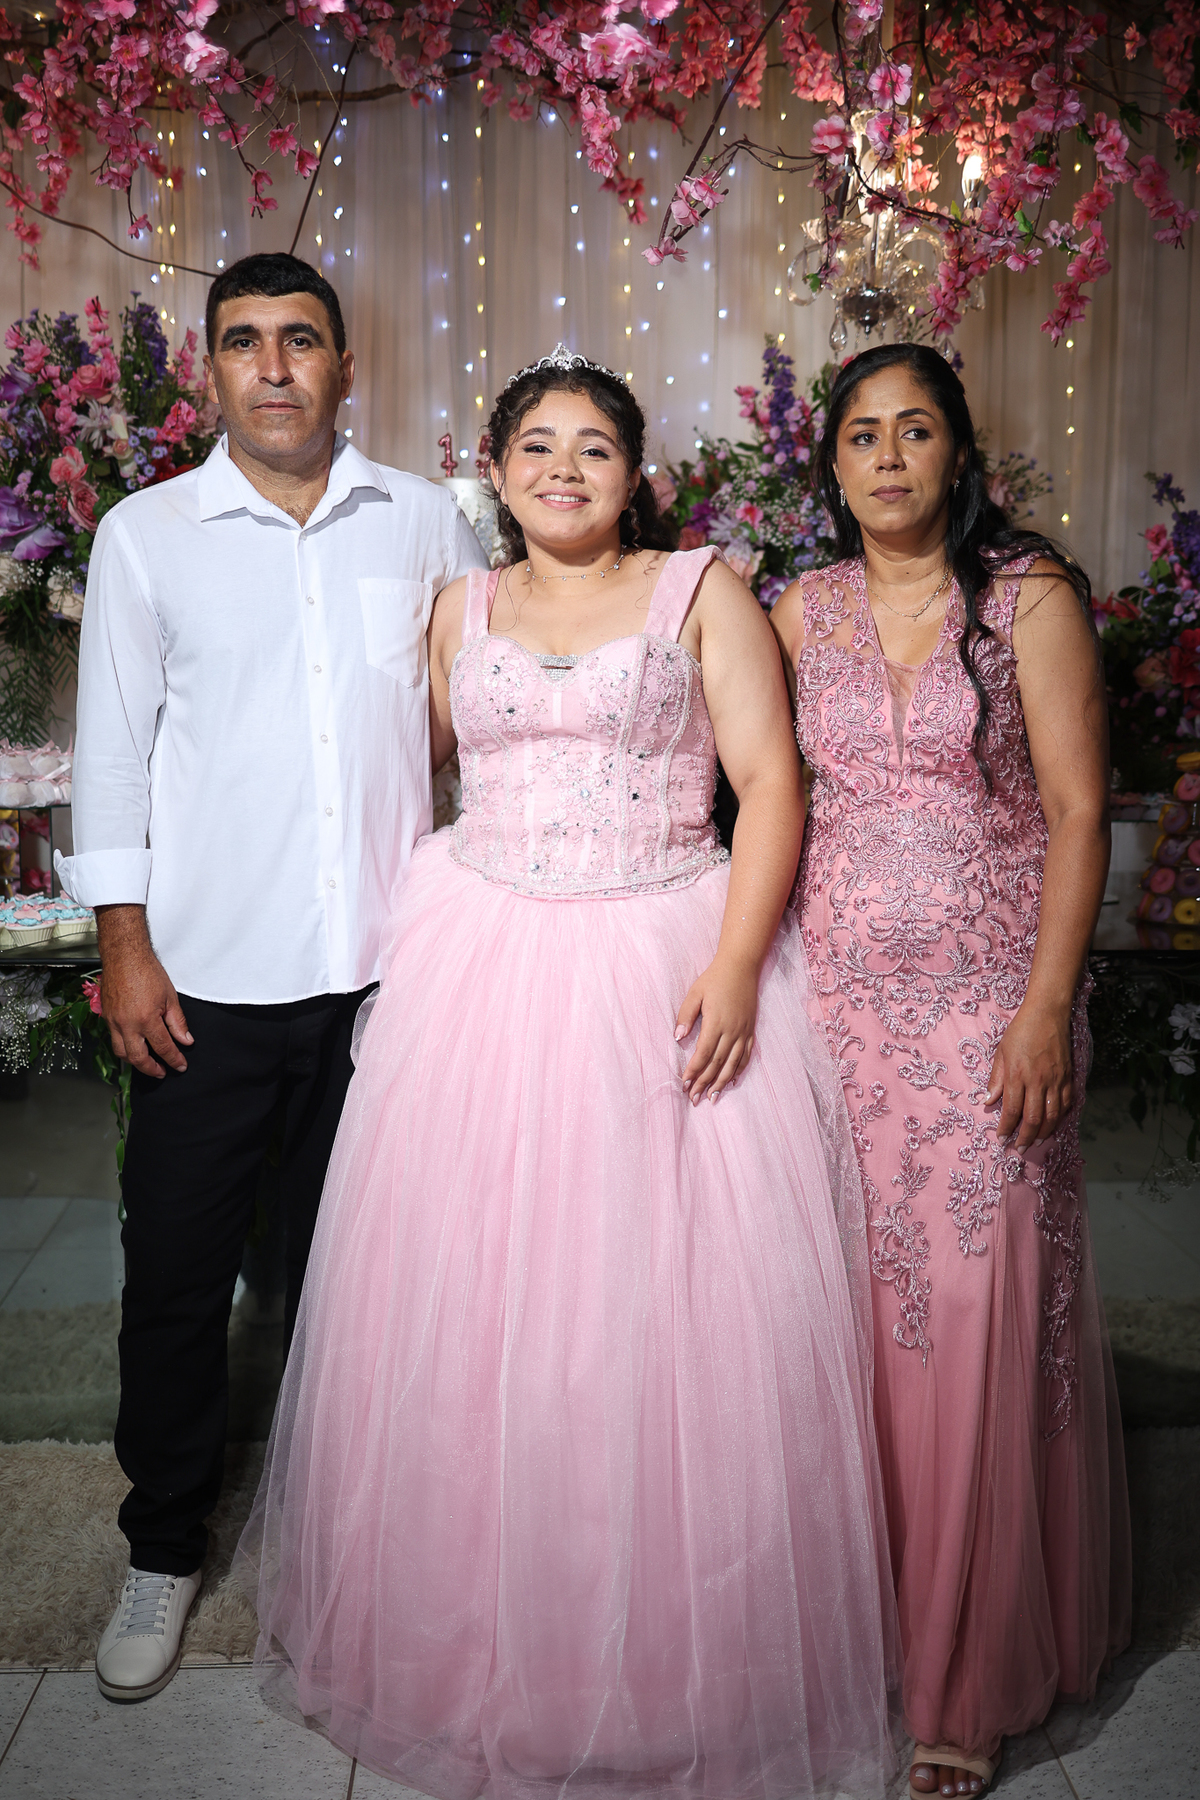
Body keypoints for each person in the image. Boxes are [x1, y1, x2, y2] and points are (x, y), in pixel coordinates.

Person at [236, 346, 900, 1799]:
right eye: (536, 445)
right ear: (494, 468)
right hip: (481, 963)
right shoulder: (456, 608)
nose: (563, 469)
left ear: (633, 472)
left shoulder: (701, 591)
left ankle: (676, 1661)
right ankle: (473, 1638)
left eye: (593, 446)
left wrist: (737, 964)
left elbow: (771, 783)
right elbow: (393, 775)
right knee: (477, 1303)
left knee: (659, 1313)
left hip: (660, 955)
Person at [56, 251, 488, 1704]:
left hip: (385, 981)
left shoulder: (426, 521)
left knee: (359, 1282)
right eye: (244, 342)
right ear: (212, 371)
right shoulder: (147, 535)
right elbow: (114, 752)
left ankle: (362, 1534)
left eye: (301, 340)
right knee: (178, 1279)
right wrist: (124, 943)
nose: (276, 367)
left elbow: (473, 716)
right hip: (204, 983)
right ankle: (163, 1544)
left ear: (345, 366)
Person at [771, 344, 1131, 1800]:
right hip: (839, 1013)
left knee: (976, 1317)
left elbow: (1080, 809)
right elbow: (756, 793)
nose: (889, 456)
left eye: (915, 430)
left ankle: (965, 1680)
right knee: (857, 1325)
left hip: (992, 1011)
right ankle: (869, 1632)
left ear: (959, 454)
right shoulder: (796, 611)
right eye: (863, 434)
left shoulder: (1026, 599)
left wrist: (1047, 1009)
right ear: (832, 465)